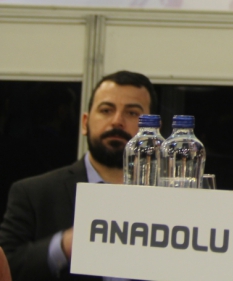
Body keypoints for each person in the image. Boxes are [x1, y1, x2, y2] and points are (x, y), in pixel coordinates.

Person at [0, 71, 156, 281]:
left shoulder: (170, 199)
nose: (117, 121)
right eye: (106, 110)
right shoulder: (34, 193)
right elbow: (7, 264)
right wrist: (64, 246)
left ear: (154, 128)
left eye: (132, 113)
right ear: (85, 122)